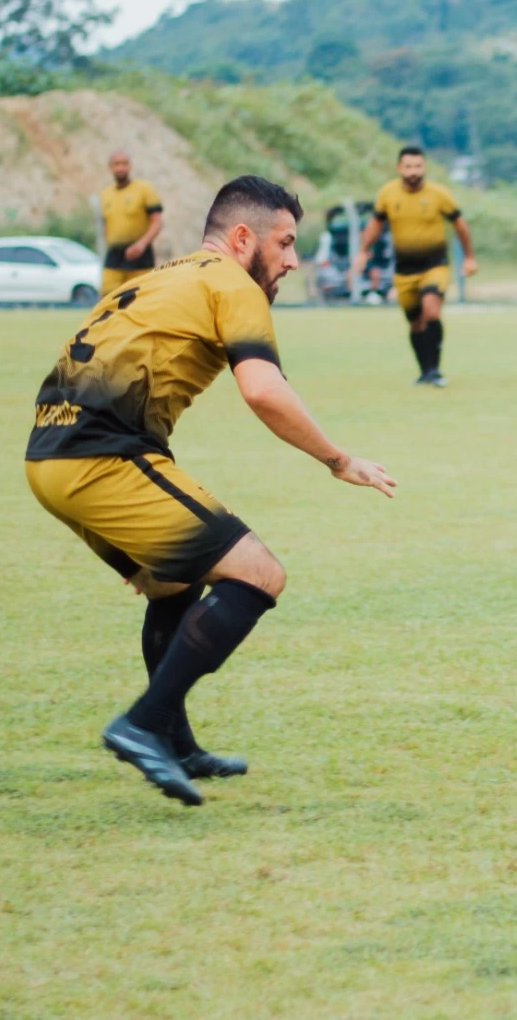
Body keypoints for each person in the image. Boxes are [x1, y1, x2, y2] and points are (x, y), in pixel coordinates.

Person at [24, 175, 397, 806]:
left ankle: (174, 742)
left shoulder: (163, 276)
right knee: (259, 574)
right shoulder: (233, 283)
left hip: (49, 456)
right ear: (243, 237)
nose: (292, 261)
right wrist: (338, 460)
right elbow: (264, 391)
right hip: (100, 455)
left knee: (174, 584)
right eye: (285, 243)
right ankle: (143, 725)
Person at [353, 147, 477, 387]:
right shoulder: (388, 193)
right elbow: (375, 224)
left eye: (418, 166)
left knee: (431, 311)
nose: (413, 171)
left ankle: (435, 371)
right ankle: (424, 372)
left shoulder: (439, 194)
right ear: (399, 168)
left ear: (424, 167)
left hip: (435, 265)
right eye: (408, 166)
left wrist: (469, 257)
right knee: (415, 322)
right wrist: (362, 251)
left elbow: (460, 225)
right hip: (404, 269)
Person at [99, 151, 165, 297]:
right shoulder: (105, 194)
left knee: (142, 298)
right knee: (108, 298)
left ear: (130, 166)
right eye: (117, 164)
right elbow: (106, 224)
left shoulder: (144, 189)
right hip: (114, 256)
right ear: (110, 167)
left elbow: (157, 222)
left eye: (124, 163)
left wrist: (141, 244)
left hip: (140, 255)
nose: (121, 167)